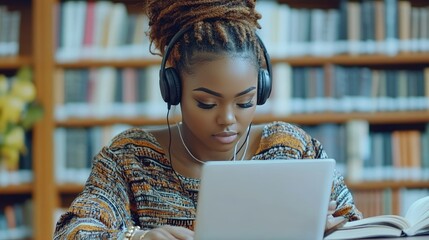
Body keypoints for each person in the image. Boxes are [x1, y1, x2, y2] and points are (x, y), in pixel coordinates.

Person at [54, 0, 362, 239]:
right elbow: (71, 232)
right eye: (206, 103)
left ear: (263, 90)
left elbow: (358, 225)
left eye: (245, 102)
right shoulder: (131, 158)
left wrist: (331, 233)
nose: (228, 119)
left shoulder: (292, 148)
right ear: (173, 89)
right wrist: (137, 237)